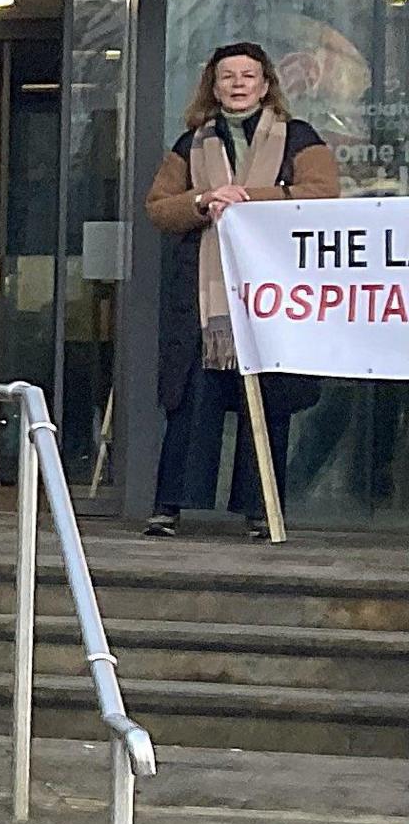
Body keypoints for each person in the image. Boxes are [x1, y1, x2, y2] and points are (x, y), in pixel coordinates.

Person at [146, 41, 341, 536]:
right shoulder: (189, 143)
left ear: (266, 83)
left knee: (270, 401)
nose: (237, 84)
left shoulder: (299, 137)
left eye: (247, 76)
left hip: (273, 294)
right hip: (203, 299)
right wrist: (204, 199)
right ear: (213, 87)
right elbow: (159, 208)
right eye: (227, 76)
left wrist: (245, 199)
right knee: (191, 399)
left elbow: (323, 194)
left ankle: (261, 511)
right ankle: (170, 508)